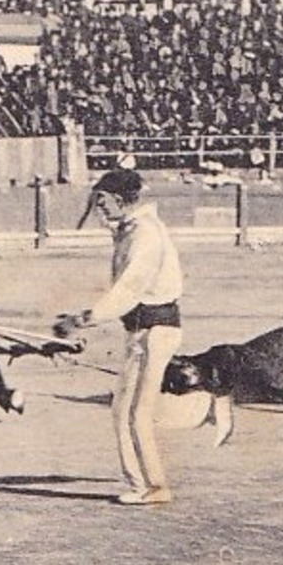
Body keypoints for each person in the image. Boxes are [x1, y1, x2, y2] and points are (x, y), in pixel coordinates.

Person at [54, 169, 184, 506]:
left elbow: (129, 289)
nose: (100, 209)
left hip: (154, 330)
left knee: (135, 412)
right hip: (142, 329)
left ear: (122, 201)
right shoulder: (133, 230)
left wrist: (83, 320)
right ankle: (143, 483)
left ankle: (154, 487)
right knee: (123, 409)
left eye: (104, 202)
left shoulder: (144, 235)